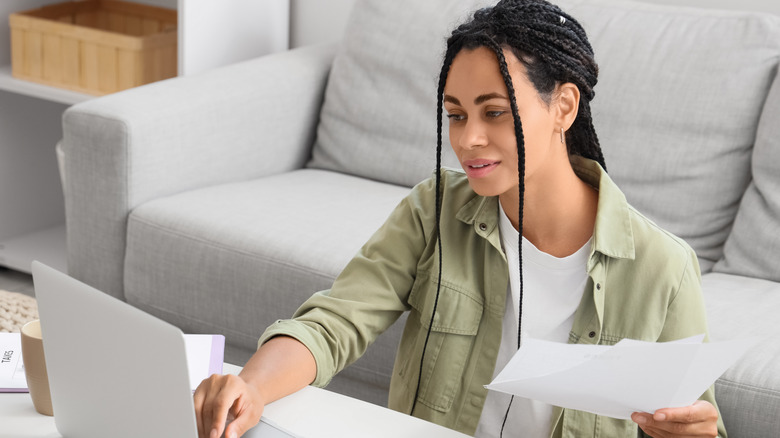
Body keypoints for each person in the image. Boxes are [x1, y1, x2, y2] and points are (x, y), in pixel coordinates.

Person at [194, 1, 726, 437]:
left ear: (563, 107)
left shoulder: (663, 268)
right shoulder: (434, 210)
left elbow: (694, 422)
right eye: (455, 114)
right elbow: (336, 321)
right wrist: (251, 387)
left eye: (494, 112)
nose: (468, 138)